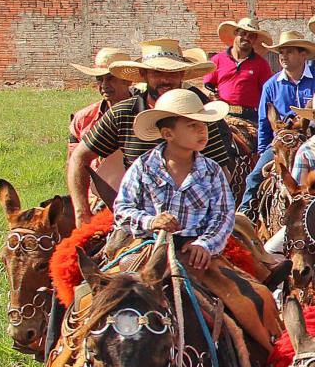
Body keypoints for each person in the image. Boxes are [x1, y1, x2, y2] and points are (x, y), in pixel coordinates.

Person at [69, 43, 238, 221]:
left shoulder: (200, 115)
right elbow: (79, 157)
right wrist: (82, 212)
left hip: (194, 216)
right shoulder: (123, 113)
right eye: (157, 73)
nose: (165, 80)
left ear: (182, 75)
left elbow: (220, 172)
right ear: (144, 75)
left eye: (172, 73)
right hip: (136, 218)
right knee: (79, 248)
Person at [113, 89, 236, 274]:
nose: (202, 130)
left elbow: (223, 214)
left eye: (203, 124)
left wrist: (204, 244)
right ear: (168, 134)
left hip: (196, 251)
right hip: (150, 246)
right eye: (192, 125)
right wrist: (151, 221)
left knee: (245, 299)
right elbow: (122, 209)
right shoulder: (144, 167)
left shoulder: (212, 171)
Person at [243, 29, 315, 209]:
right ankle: (246, 218)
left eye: (289, 52)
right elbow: (264, 122)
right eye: (281, 53)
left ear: (303, 55)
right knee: (254, 178)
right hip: (281, 143)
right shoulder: (270, 86)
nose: (283, 57)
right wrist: (264, 150)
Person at [67, 47, 135, 201]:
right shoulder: (83, 119)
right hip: (93, 197)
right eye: (99, 79)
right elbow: (74, 162)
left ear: (127, 80)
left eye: (110, 78)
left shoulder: (145, 114)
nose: (104, 84)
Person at [209, 17, 274, 122]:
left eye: (251, 36)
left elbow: (268, 93)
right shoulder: (217, 60)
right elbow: (208, 86)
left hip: (250, 116)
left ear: (254, 40)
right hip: (222, 114)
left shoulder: (261, 64)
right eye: (243, 33)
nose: (246, 38)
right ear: (236, 33)